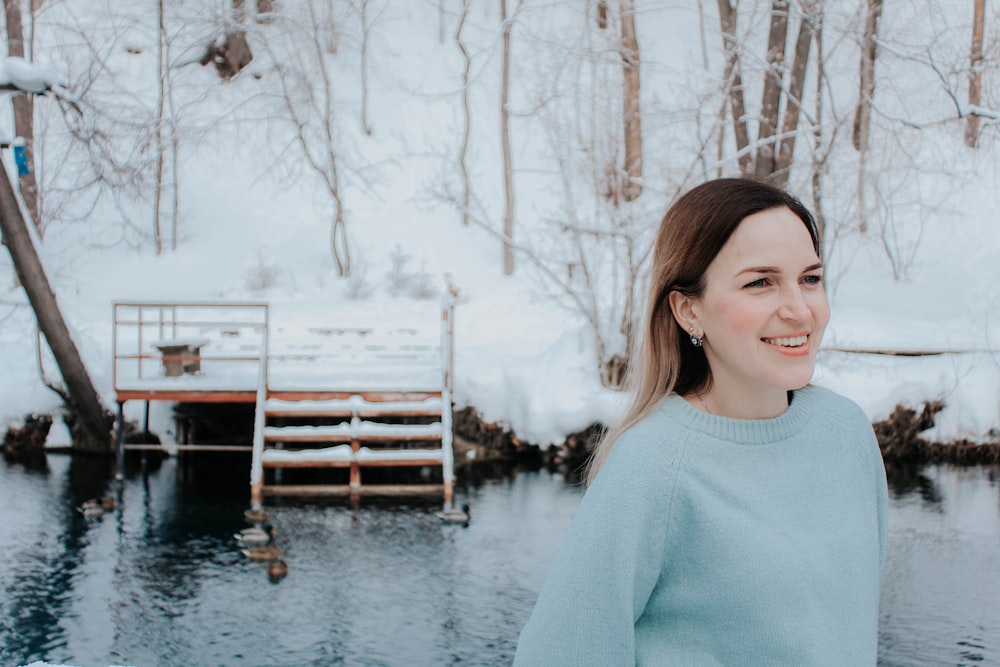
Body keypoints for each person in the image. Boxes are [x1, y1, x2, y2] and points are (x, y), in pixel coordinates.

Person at [513, 178, 888, 666]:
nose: (800, 310)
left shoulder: (845, 431)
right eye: (761, 282)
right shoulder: (653, 466)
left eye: (810, 278)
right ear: (689, 310)